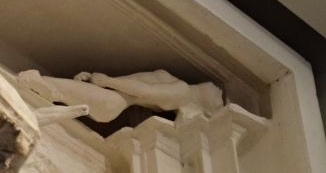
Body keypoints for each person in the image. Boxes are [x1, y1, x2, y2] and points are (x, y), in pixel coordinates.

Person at [18, 69, 224, 124]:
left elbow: (145, 92)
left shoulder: (183, 93)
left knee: (51, 88)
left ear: (205, 105)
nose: (219, 91)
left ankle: (35, 84)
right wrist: (93, 81)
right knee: (59, 91)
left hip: (112, 101)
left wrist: (108, 81)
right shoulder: (180, 87)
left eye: (219, 100)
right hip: (111, 100)